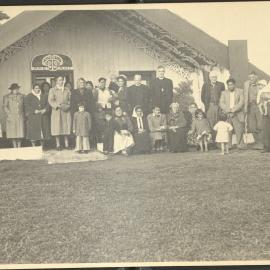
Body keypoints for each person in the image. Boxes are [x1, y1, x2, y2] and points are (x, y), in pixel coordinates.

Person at [219, 78, 245, 149]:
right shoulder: (223, 93)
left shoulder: (240, 91)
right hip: (227, 114)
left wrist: (233, 110)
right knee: (228, 130)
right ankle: (229, 145)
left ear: (234, 84)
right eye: (228, 85)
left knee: (238, 130)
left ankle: (240, 145)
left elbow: (241, 102)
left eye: (231, 85)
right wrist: (228, 110)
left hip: (237, 113)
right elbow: (221, 103)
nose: (230, 86)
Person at [48, 76, 72, 150]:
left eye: (62, 80)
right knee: (57, 127)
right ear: (56, 81)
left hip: (66, 111)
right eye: (59, 80)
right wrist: (58, 106)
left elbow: (70, 99)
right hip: (57, 111)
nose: (61, 82)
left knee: (66, 127)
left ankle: (66, 144)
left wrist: (68, 106)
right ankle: (58, 145)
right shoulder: (52, 90)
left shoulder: (67, 89)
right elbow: (50, 100)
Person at [243, 71, 263, 149]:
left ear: (256, 77)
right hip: (250, 107)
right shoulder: (246, 84)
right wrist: (245, 107)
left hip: (259, 106)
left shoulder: (260, 84)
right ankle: (257, 142)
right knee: (252, 126)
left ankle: (262, 143)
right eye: (250, 77)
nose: (251, 79)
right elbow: (245, 97)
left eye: (253, 77)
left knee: (260, 125)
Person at [3, 83, 25, 148]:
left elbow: (24, 106)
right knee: (13, 133)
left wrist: (24, 114)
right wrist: (9, 114)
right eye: (14, 89)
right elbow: (5, 107)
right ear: (11, 90)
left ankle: (19, 146)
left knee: (20, 132)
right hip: (11, 117)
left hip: (20, 116)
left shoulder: (22, 96)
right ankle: (14, 147)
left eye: (17, 89)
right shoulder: (6, 97)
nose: (16, 90)